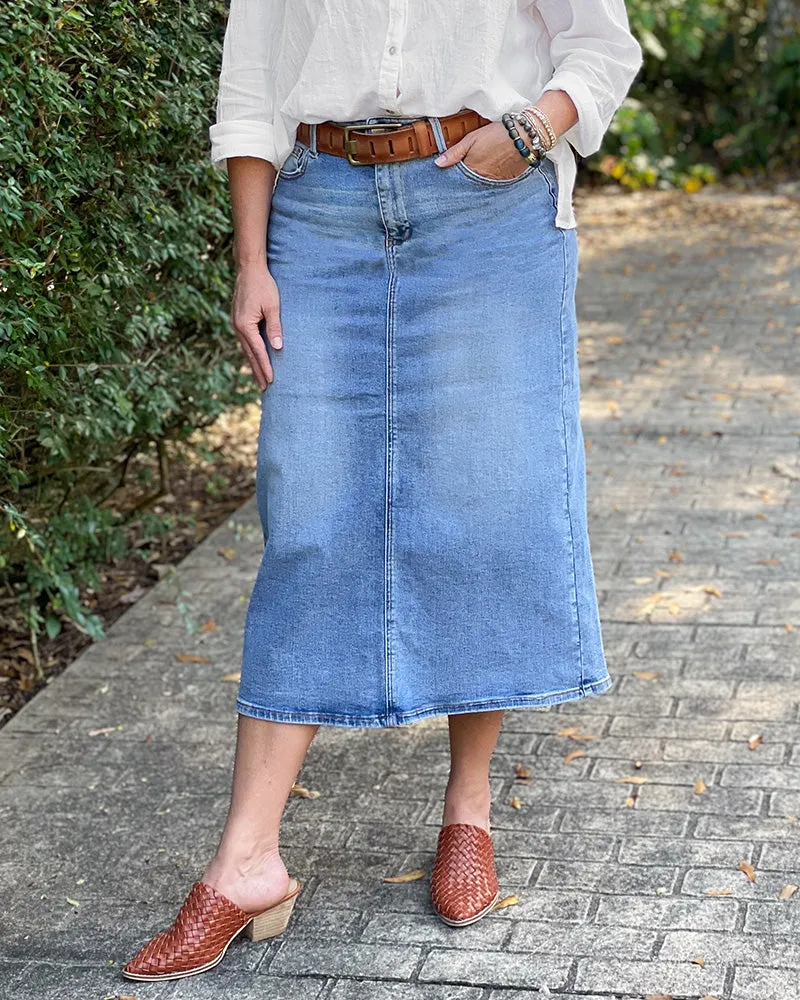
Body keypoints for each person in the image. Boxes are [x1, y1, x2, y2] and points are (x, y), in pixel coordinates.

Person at [122, 0, 643, 982]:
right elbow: (251, 85)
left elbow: (597, 43)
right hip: (316, 210)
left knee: (481, 508)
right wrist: (250, 259)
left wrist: (527, 131)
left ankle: (467, 808)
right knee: (309, 518)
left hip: (485, 203)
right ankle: (247, 863)